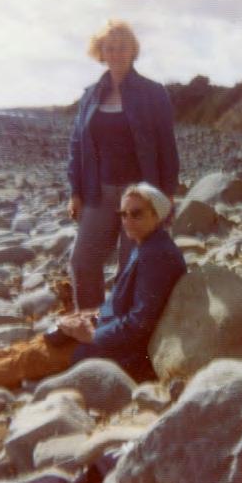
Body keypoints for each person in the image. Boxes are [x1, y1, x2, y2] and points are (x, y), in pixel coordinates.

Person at [0, 183, 186, 388]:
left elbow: (140, 323)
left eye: (136, 214)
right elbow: (125, 306)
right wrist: (89, 317)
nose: (128, 220)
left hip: (121, 351)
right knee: (35, 344)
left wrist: (92, 335)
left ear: (157, 215)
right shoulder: (148, 245)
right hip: (109, 332)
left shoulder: (156, 256)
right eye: (123, 214)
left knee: (29, 357)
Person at [67, 19, 179, 311]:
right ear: (100, 52)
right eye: (109, 48)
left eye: (122, 47)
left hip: (141, 194)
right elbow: (77, 145)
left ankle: (121, 327)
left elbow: (167, 146)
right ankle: (91, 321)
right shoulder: (91, 94)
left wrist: (167, 193)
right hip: (98, 192)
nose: (116, 53)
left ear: (133, 51)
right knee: (83, 262)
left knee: (132, 267)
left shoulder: (153, 93)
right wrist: (75, 192)